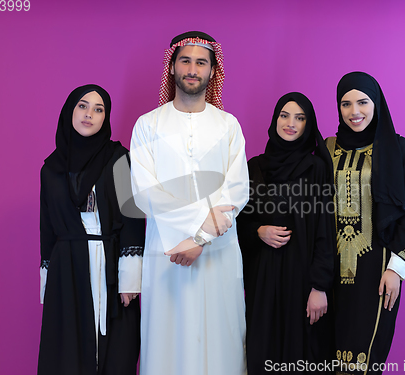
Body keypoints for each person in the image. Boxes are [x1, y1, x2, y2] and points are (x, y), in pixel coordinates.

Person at [130, 31, 249, 375]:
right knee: (168, 340)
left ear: (213, 71)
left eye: (201, 62)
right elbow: (144, 190)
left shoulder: (228, 125)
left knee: (221, 338)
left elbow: (237, 188)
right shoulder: (148, 125)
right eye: (185, 60)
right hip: (168, 253)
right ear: (172, 67)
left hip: (218, 252)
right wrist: (191, 233)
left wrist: (200, 239)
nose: (193, 69)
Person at [38, 84, 144, 375]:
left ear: (105, 118)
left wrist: (129, 279)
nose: (89, 115)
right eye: (83, 106)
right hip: (66, 267)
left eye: (99, 109)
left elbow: (133, 216)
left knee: (115, 347)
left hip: (108, 263)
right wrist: (48, 279)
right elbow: (47, 227)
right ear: (70, 111)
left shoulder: (118, 158)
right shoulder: (51, 168)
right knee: (67, 348)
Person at [326, 72, 405, 375]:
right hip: (328, 269)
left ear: (376, 102)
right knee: (325, 355)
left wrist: (397, 269)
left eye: (363, 102)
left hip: (378, 271)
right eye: (346, 104)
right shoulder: (326, 149)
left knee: (363, 361)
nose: (355, 112)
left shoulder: (397, 149)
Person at [236, 92, 336, 374]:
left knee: (300, 354)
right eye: (284, 115)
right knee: (262, 350)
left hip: (302, 279)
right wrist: (259, 230)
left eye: (300, 118)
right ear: (275, 119)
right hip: (262, 278)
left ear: (308, 124)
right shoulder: (254, 166)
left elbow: (325, 229)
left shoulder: (316, 168)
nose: (290, 123)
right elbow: (238, 222)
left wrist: (319, 286)